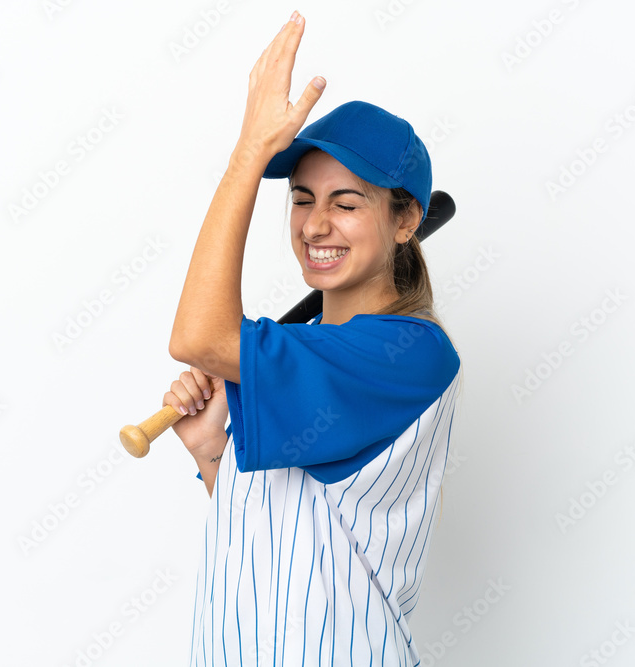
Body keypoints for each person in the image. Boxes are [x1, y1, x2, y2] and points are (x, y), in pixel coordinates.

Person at [165, 10, 463, 665]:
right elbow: (288, 534)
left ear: (406, 219)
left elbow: (198, 336)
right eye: (303, 198)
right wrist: (213, 452)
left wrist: (249, 153)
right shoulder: (305, 350)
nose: (315, 224)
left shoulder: (408, 354)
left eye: (346, 203)